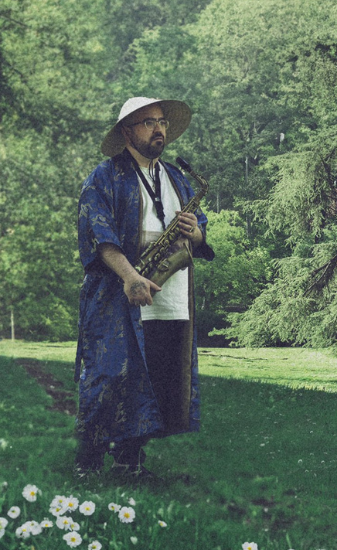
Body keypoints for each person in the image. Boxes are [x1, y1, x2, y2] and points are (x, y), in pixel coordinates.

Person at [75, 97, 214, 478]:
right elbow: (98, 234)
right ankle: (88, 457)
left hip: (169, 294)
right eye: (148, 122)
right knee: (110, 374)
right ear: (127, 132)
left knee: (155, 372)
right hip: (120, 288)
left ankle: (130, 457)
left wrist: (196, 233)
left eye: (162, 122)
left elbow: (201, 234)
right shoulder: (104, 176)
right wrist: (130, 276)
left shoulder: (176, 177)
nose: (159, 129)